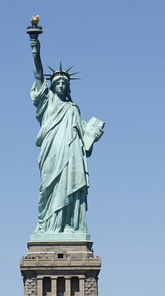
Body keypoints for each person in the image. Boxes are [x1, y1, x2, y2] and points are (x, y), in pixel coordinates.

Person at [29, 34, 103, 236]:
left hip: (71, 155)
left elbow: (84, 138)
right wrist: (35, 49)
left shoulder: (73, 108)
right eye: (57, 82)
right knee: (49, 188)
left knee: (70, 184)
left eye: (64, 82)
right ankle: (50, 227)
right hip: (52, 152)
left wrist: (93, 135)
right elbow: (38, 75)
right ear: (51, 85)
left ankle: (69, 225)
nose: (61, 84)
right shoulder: (48, 102)